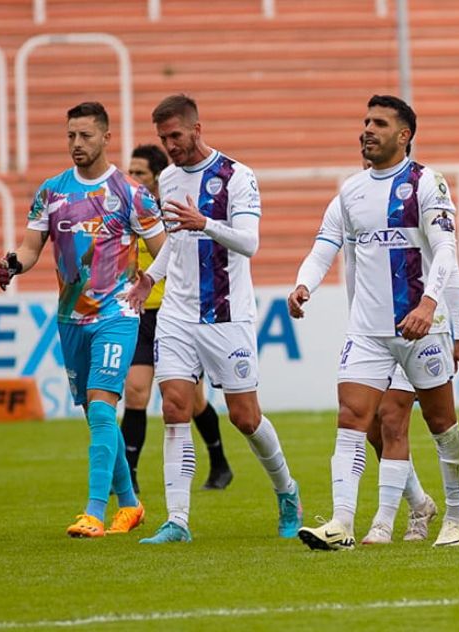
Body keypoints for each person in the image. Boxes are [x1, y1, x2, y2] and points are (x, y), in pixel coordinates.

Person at [295, 95, 459, 550]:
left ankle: (455, 514)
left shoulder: (427, 183)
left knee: (442, 426)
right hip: (367, 331)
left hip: (421, 329)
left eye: (379, 123)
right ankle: (342, 523)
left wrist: (431, 307)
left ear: (404, 134)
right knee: (354, 419)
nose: (367, 130)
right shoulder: (350, 191)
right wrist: (303, 285)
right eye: (365, 121)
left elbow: (447, 252)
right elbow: (325, 244)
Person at [126, 94, 302, 544]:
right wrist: (150, 277)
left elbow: (249, 242)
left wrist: (205, 221)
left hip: (227, 316)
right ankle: (178, 521)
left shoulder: (237, 177)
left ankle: (286, 490)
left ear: (197, 129)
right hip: (178, 314)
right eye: (164, 138)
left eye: (177, 136)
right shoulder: (166, 178)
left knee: (245, 417)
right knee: (174, 409)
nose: (171, 146)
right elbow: (177, 245)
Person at [0, 102, 164, 537]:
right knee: (96, 414)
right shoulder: (52, 191)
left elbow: (166, 249)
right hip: (71, 318)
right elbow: (33, 247)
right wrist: (14, 263)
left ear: (107, 137)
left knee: (104, 406)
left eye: (85, 136)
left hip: (118, 313)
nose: (76, 144)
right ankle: (129, 505)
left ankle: (93, 512)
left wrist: (148, 283)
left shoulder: (131, 192)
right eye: (71, 135)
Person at [121, 144, 232, 493]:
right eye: (130, 172)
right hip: (140, 313)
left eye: (139, 173)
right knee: (135, 392)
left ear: (155, 176)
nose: (132, 178)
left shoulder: (172, 209)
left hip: (175, 314)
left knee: (192, 401)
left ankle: (220, 463)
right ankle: (129, 478)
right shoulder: (126, 210)